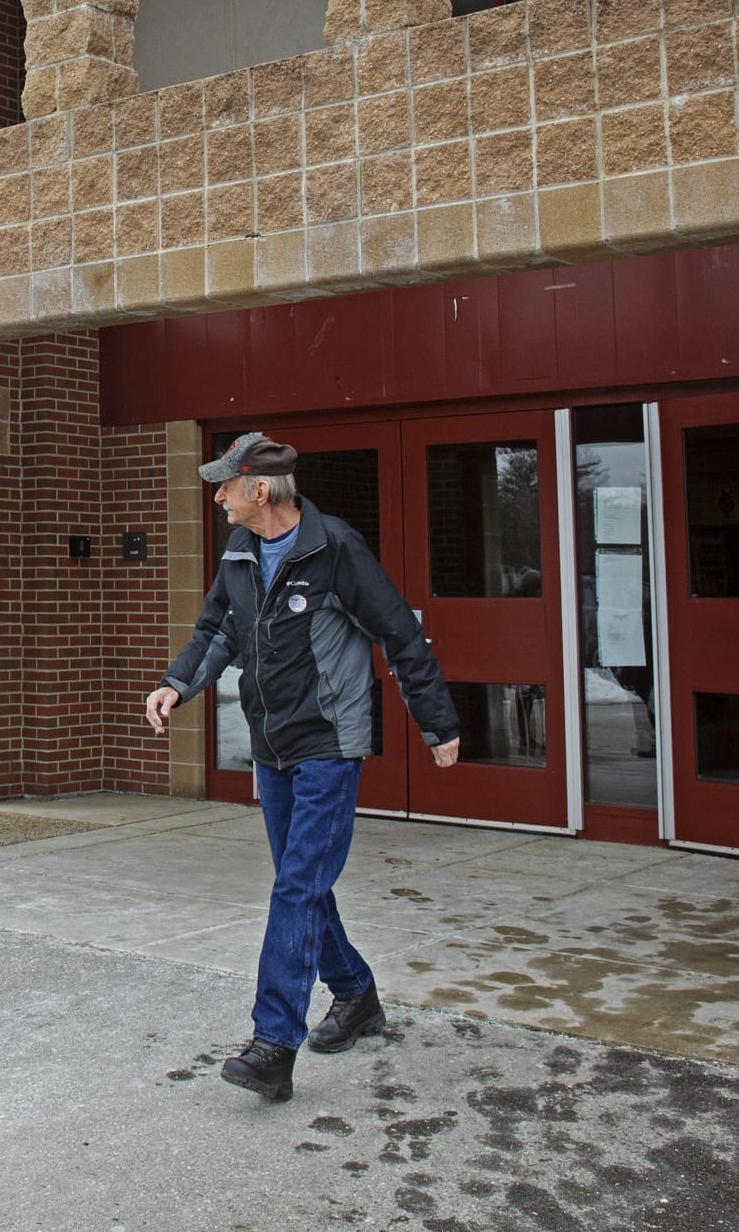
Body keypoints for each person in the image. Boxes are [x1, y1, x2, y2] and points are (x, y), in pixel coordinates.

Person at [145, 432, 462, 1104]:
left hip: (328, 745)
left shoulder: (334, 549)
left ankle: (273, 1043)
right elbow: (218, 630)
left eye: (226, 484)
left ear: (260, 490)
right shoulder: (238, 551)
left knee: (295, 887)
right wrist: (178, 683)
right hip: (273, 746)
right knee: (305, 882)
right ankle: (355, 992)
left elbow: (398, 633)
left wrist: (438, 721)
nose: (218, 494)